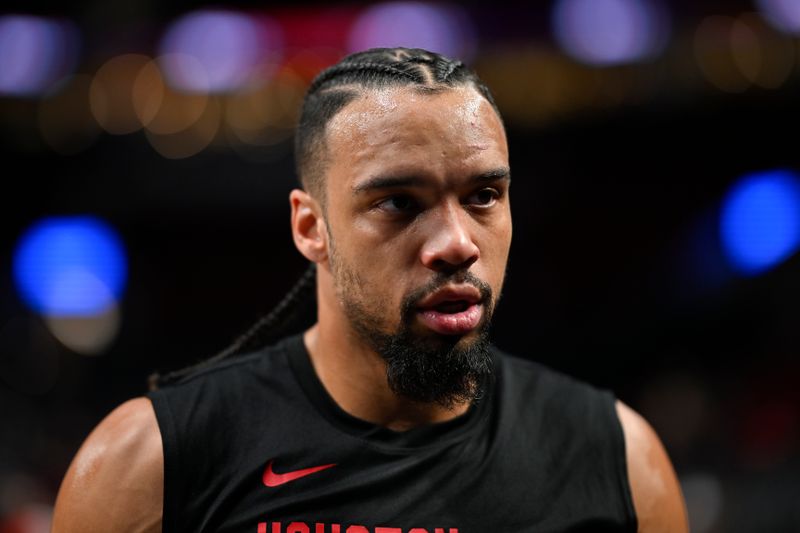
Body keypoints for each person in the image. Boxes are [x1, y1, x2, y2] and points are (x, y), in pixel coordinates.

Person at [52, 47, 688, 533]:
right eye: (398, 202)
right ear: (311, 227)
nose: (457, 243)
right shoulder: (146, 467)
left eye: (484, 196)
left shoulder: (621, 460)